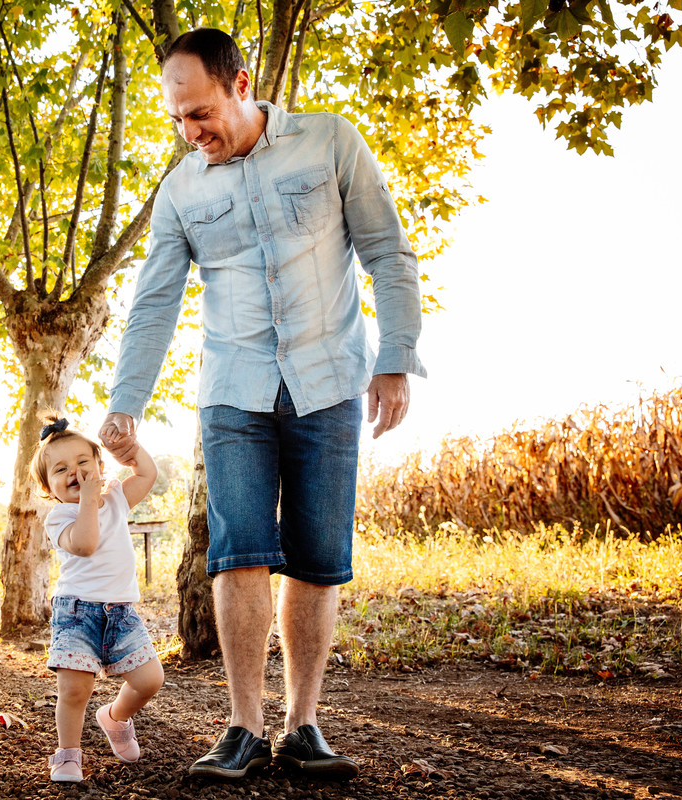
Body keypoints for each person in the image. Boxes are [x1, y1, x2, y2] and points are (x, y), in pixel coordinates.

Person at [99, 29, 425, 781]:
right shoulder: (181, 189)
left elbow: (387, 250)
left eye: (201, 113)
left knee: (317, 557)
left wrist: (396, 357)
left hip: (328, 380)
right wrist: (126, 401)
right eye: (178, 119)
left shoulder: (330, 142)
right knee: (238, 550)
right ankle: (244, 727)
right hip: (233, 390)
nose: (191, 132)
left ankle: (302, 726)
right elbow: (154, 302)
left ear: (241, 84)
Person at [30, 414, 164, 783]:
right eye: (61, 469)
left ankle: (115, 717)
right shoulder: (60, 516)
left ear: (100, 467)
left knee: (150, 679)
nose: (74, 472)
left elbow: (147, 474)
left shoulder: (117, 498)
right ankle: (67, 755)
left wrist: (131, 450)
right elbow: (85, 544)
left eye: (82, 462)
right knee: (75, 690)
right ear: (48, 487)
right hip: (77, 613)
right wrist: (89, 499)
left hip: (121, 613)